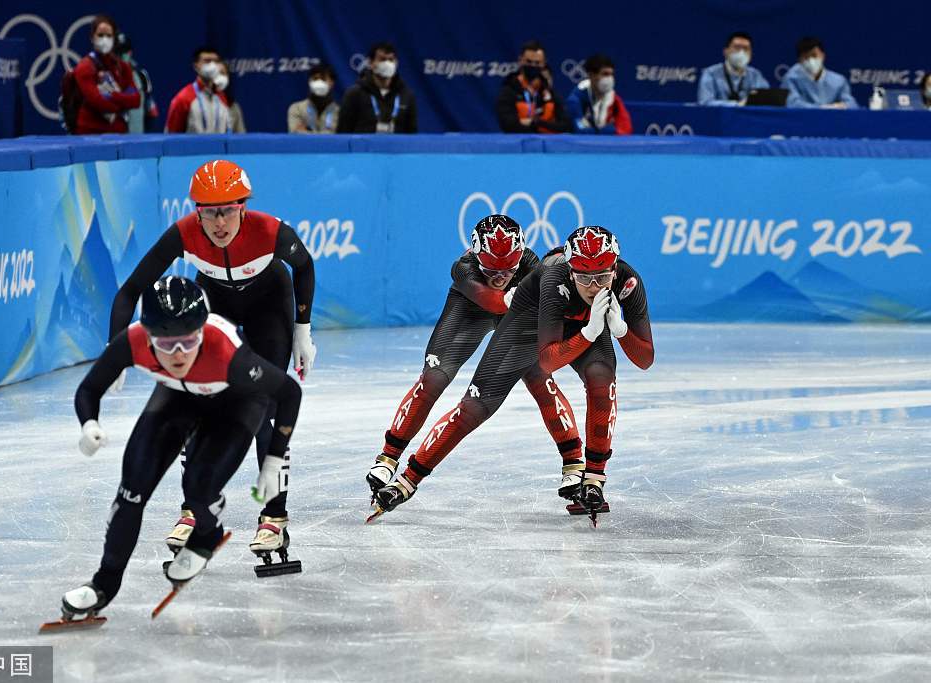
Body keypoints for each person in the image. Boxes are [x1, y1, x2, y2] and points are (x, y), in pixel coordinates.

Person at [54, 276, 303, 621]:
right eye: (166, 345)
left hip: (236, 402)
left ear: (202, 331)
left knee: (199, 491)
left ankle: (207, 534)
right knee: (131, 492)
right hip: (177, 397)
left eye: (188, 342)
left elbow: (289, 392)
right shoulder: (133, 341)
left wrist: (274, 458)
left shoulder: (229, 352)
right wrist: (89, 424)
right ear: (148, 335)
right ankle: (103, 584)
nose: (178, 354)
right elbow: (88, 389)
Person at [371, 226, 654, 524]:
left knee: (602, 377)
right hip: (528, 325)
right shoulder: (552, 280)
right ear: (570, 271)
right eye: (584, 277)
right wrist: (590, 331)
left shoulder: (628, 281)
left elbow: (645, 358)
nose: (594, 287)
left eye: (602, 277)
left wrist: (620, 330)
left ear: (615, 268)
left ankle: (594, 476)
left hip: (586, 326)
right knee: (476, 406)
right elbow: (548, 360)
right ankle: (408, 479)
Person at [107, 159, 316, 548]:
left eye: (228, 212)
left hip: (269, 306)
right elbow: (130, 290)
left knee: (265, 407)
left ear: (243, 207)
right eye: (209, 214)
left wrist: (302, 330)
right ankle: (197, 504)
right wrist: (115, 347)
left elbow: (304, 267)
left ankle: (274, 515)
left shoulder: (271, 232)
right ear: (196, 213)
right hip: (214, 302)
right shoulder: (185, 234)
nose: (219, 224)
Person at [366, 215, 586, 504]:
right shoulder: (464, 268)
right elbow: (494, 302)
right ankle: (389, 457)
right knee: (433, 378)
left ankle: (574, 462)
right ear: (476, 256)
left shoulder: (531, 264)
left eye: (508, 270)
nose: (500, 278)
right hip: (471, 310)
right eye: (491, 270)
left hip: (514, 320)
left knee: (539, 376)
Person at [71, 15, 141, 134]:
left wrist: (112, 95)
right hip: (89, 134)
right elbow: (97, 101)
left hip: (118, 134)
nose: (104, 39)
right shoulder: (85, 67)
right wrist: (122, 102)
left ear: (114, 39)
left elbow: (136, 100)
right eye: (100, 35)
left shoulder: (123, 67)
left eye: (109, 36)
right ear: (92, 37)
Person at [337, 42, 417, 133]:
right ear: (371, 63)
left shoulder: (407, 96)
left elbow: (412, 133)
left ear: (396, 63)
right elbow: (343, 131)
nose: (387, 63)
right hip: (364, 146)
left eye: (391, 60)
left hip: (396, 147)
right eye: (382, 59)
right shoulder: (354, 94)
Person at [496, 40, 571, 133]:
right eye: (529, 62)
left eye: (537, 63)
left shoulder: (550, 92)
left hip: (547, 145)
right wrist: (547, 125)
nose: (533, 66)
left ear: (544, 63)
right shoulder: (509, 90)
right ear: (520, 60)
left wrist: (536, 122)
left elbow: (566, 125)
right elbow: (508, 125)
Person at [165, 46, 231, 133]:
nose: (213, 65)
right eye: (207, 61)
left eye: (216, 61)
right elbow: (171, 136)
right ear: (196, 66)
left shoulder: (221, 97)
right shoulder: (183, 99)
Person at [781, 37, 857, 109]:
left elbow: (852, 104)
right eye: (806, 57)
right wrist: (821, 109)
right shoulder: (791, 78)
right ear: (799, 60)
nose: (811, 60)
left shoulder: (838, 80)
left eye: (814, 55)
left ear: (823, 55)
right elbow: (792, 104)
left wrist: (840, 106)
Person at [565, 54, 632, 135]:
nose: (610, 79)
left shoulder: (613, 98)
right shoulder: (575, 100)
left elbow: (625, 129)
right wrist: (610, 129)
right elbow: (580, 131)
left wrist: (596, 130)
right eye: (605, 74)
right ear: (591, 75)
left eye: (611, 74)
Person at [697, 32, 770, 106]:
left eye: (746, 48)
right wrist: (737, 104)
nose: (741, 52)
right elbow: (705, 102)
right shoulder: (710, 73)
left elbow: (765, 100)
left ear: (751, 54)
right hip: (720, 117)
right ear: (725, 51)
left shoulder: (756, 75)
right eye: (737, 48)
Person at [114, 32, 159, 133]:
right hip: (112, 143)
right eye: (117, 52)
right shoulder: (103, 77)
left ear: (130, 52)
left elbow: (151, 113)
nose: (121, 55)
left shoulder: (142, 76)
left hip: (137, 142)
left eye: (124, 51)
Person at [288, 63, 339, 133]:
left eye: (323, 79)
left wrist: (306, 131)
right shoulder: (297, 109)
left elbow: (338, 140)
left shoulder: (339, 112)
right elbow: (295, 136)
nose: (319, 82)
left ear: (332, 83)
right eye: (315, 79)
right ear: (309, 82)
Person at [216, 61, 247, 133]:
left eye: (222, 73)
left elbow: (241, 138)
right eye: (215, 74)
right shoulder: (196, 103)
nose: (219, 77)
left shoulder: (233, 107)